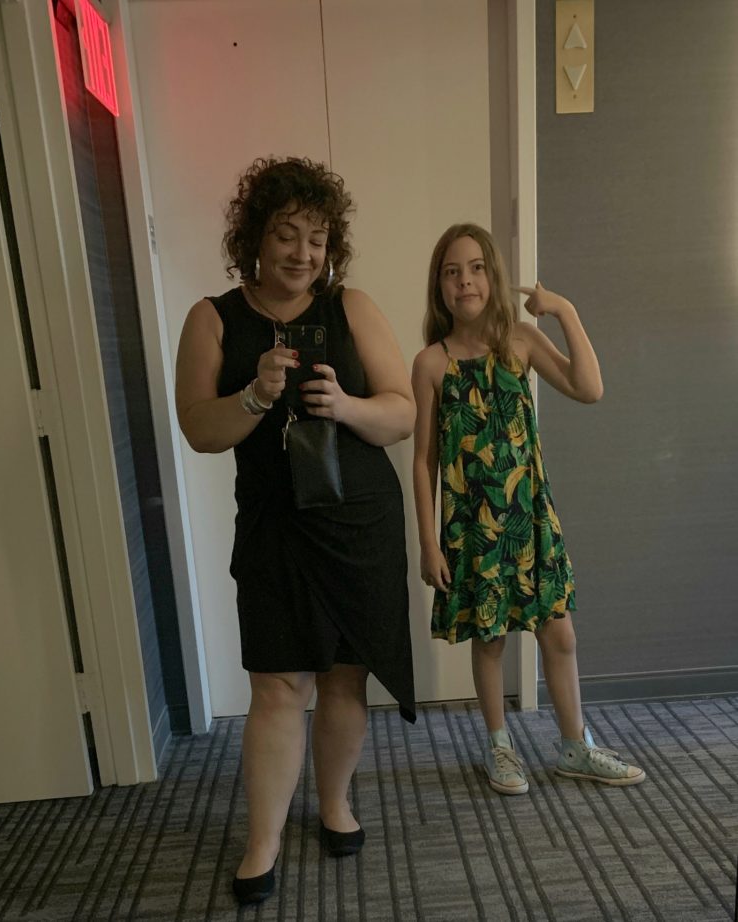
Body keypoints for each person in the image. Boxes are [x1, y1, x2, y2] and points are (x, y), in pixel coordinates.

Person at [176, 157, 416, 905]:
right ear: (255, 237)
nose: (302, 253)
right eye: (286, 235)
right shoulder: (213, 318)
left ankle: (336, 803)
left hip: (358, 521)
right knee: (279, 684)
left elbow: (403, 411)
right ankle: (264, 839)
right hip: (277, 528)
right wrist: (252, 395)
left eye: (316, 238)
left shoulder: (352, 308)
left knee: (346, 675)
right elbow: (198, 430)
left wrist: (344, 406)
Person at [412, 223, 644, 796]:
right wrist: (428, 542)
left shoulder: (519, 341)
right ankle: (499, 748)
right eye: (451, 271)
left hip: (531, 519)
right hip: (472, 529)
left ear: (492, 275)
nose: (464, 280)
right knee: (488, 641)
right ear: (439, 286)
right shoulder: (430, 365)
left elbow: (589, 388)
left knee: (559, 636)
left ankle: (576, 747)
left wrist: (562, 310)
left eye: (475, 268)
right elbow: (422, 462)